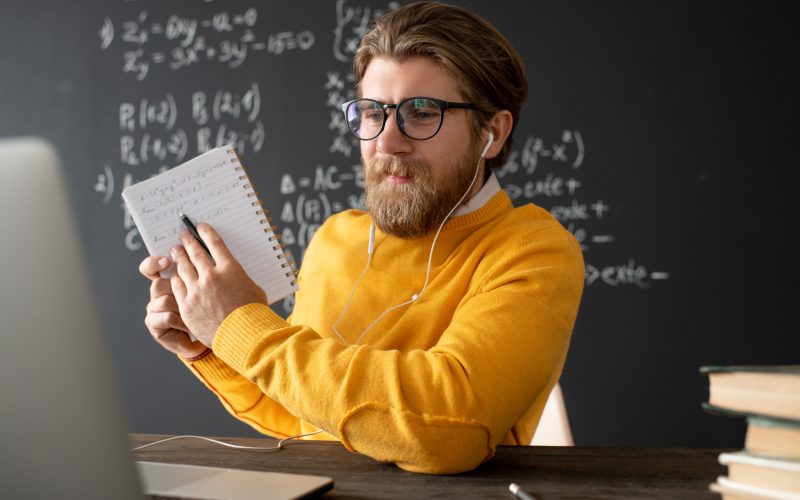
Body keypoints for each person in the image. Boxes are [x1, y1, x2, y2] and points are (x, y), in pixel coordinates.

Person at [139, 1, 584, 475]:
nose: (387, 141)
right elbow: (307, 420)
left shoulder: (534, 252)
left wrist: (240, 326)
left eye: (422, 112)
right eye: (373, 113)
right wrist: (209, 340)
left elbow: (450, 428)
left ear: (491, 134)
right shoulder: (336, 239)